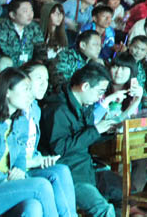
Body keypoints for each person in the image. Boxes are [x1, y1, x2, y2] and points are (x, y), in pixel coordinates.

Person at [40, 62, 122, 217]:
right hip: (69, 173)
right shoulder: (58, 109)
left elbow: (85, 139)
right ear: (85, 86)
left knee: (126, 193)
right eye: (99, 92)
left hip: (87, 168)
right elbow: (60, 148)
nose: (100, 97)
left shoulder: (84, 105)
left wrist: (107, 131)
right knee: (103, 209)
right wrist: (95, 130)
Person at [0, 67, 62, 217]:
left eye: (30, 89)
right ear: (7, 91)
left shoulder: (21, 121)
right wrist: (4, 179)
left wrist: (19, 170)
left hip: (7, 183)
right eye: (25, 89)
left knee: (32, 206)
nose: (30, 95)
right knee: (41, 186)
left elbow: (20, 155)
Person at [21, 62, 77, 217]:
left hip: (30, 165)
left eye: (46, 79)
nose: (43, 84)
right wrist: (34, 161)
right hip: (17, 170)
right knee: (46, 183)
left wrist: (41, 158)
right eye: (38, 78)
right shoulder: (13, 110)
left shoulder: (35, 109)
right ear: (23, 79)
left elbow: (30, 147)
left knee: (62, 170)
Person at [0, 0, 43, 67]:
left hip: (28, 68)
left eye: (31, 10)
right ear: (12, 15)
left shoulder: (34, 28)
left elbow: (40, 49)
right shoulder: (2, 29)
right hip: (8, 69)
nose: (30, 14)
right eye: (25, 11)